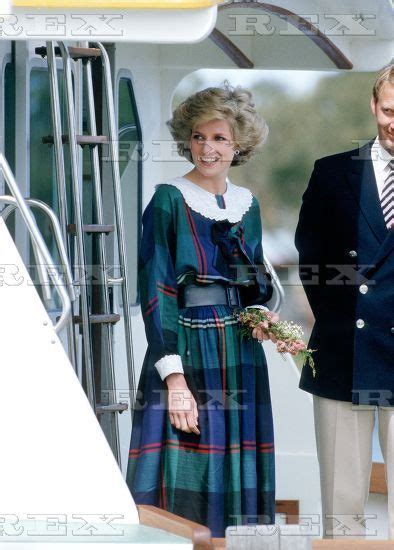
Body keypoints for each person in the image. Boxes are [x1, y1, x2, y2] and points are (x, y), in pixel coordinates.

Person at [126, 85, 276, 537]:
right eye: (198, 137)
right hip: (185, 348)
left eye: (219, 138)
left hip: (241, 351)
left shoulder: (248, 203)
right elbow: (156, 292)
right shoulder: (168, 199)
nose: (207, 148)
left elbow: (255, 282)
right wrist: (174, 380)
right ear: (187, 140)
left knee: (238, 475)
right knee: (184, 474)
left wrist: (263, 313)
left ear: (238, 144)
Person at [295, 65, 394, 539]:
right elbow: (310, 257)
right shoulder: (332, 172)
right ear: (374, 106)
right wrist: (341, 320)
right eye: (389, 111)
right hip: (343, 353)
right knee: (342, 506)